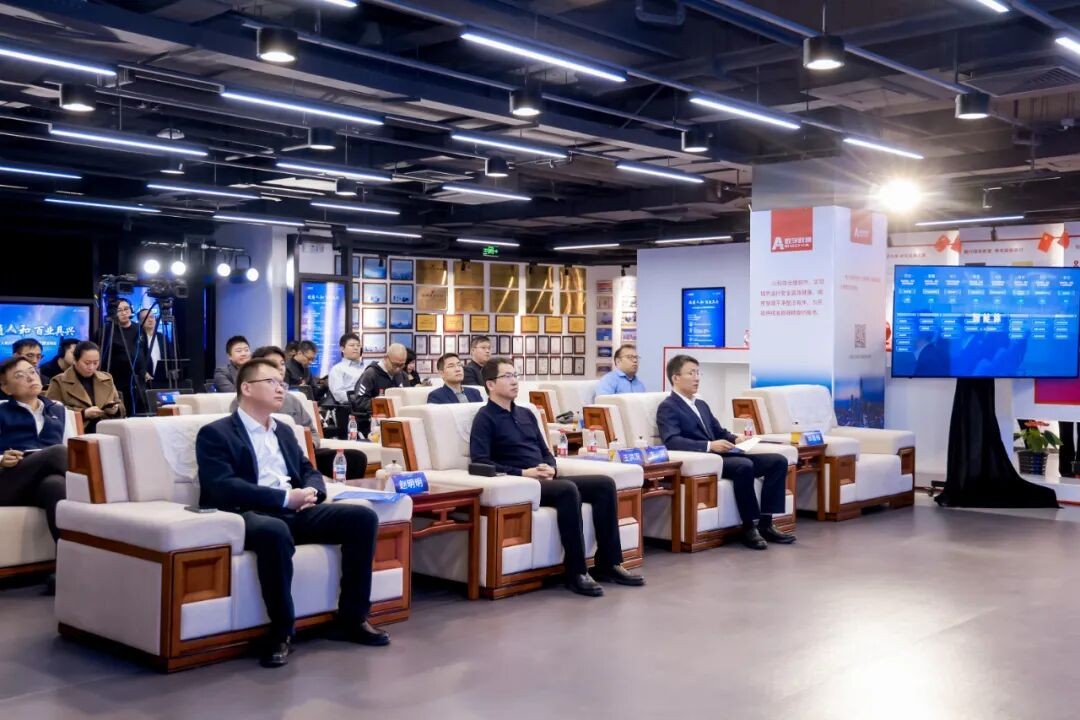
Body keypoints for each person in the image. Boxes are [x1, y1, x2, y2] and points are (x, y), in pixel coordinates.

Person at [196, 358, 387, 668]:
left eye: (281, 382)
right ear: (247, 388)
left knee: (362, 518)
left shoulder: (284, 430)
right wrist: (285, 498)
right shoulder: (216, 433)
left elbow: (308, 469)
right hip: (247, 513)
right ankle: (281, 631)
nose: (280, 388)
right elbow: (223, 486)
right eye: (271, 382)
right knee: (274, 531)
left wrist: (314, 492)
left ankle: (353, 618)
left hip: (295, 509)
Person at [470, 357, 644, 597]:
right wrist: (524, 473)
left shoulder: (526, 413)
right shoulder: (485, 418)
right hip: (522, 482)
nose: (514, 381)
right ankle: (576, 572)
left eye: (515, 375)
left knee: (604, 484)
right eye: (507, 376)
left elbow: (545, 450)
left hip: (546, 477)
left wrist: (551, 467)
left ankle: (609, 563)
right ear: (490, 384)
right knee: (567, 490)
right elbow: (480, 461)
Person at [656, 354, 794, 550]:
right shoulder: (668, 407)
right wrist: (709, 445)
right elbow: (672, 440)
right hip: (707, 458)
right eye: (691, 373)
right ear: (675, 378)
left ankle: (766, 523)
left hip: (724, 455)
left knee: (777, 461)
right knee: (744, 465)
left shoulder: (700, 404)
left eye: (698, 373)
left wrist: (736, 439)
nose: (697, 378)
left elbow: (719, 431)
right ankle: (749, 527)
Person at [233, 346, 367, 479]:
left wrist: (309, 444)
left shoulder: (291, 399)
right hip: (271, 457)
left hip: (302, 453)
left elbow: (312, 432)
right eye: (272, 364)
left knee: (355, 459)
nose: (280, 368)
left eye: (282, 363)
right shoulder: (245, 400)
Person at [0, 356, 70, 585]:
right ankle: (97, 501)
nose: (31, 377)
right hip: (9, 482)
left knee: (55, 485)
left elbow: (74, 447)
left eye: (32, 371)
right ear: (6, 388)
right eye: (19, 376)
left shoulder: (58, 410)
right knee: (57, 452)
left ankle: (67, 569)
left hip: (40, 484)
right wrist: (1, 459)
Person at [46, 341, 125, 433]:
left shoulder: (106, 378)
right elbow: (52, 410)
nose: (91, 367)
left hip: (107, 429)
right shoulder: (59, 381)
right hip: (77, 431)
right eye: (87, 363)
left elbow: (120, 405)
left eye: (95, 363)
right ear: (75, 360)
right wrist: (83, 413)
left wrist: (115, 409)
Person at [351, 344, 407, 436]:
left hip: (398, 419)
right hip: (373, 423)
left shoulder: (402, 375)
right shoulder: (371, 374)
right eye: (395, 365)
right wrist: (383, 405)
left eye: (401, 365)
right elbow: (360, 401)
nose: (397, 369)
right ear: (386, 358)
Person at [107, 299, 147, 414]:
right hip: (117, 381)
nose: (124, 313)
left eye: (126, 309)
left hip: (138, 381)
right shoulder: (108, 330)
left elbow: (144, 351)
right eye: (119, 310)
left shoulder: (139, 329)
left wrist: (144, 371)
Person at [327, 333, 364, 405]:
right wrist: (359, 399)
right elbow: (339, 394)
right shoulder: (337, 369)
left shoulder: (366, 368)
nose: (356, 348)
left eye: (358, 345)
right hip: (350, 407)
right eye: (352, 345)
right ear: (342, 349)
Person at [138, 310, 167, 389]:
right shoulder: (138, 338)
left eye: (151, 317)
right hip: (145, 381)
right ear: (140, 322)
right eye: (145, 318)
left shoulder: (162, 337)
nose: (150, 320)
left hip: (162, 380)